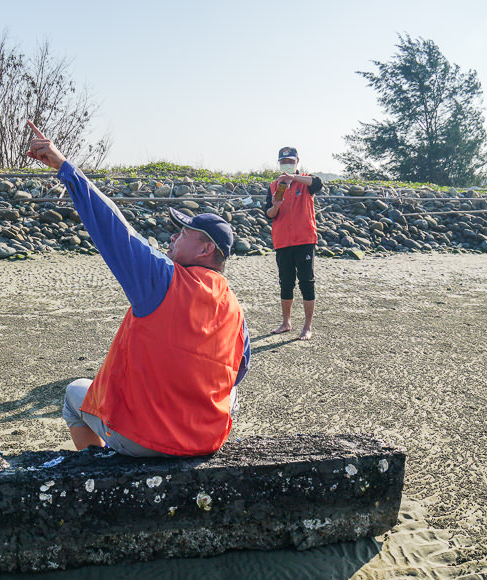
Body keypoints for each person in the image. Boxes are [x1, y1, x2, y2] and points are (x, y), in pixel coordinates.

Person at [26, 121, 250, 457]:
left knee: (75, 395)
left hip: (144, 440)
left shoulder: (162, 278)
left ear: (206, 250)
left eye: (184, 233)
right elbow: (238, 372)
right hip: (206, 440)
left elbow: (113, 227)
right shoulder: (234, 306)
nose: (173, 237)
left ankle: (101, 474)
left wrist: (64, 167)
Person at [264, 146, 324, 341]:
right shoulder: (274, 185)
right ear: (279, 163)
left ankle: (307, 326)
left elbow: (318, 183)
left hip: (304, 239)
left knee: (307, 282)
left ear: (297, 161)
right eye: (284, 161)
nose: (287, 164)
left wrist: (294, 178)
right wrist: (275, 205)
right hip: (282, 240)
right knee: (286, 283)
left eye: (291, 161)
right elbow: (269, 215)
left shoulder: (305, 181)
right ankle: (286, 322)